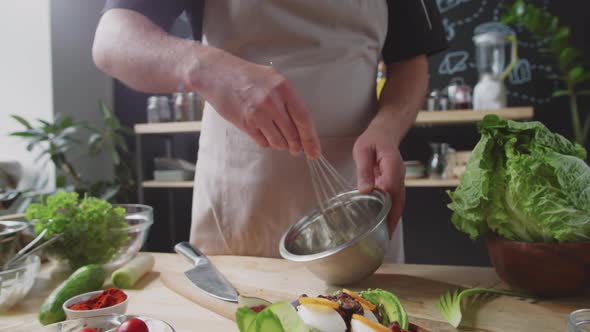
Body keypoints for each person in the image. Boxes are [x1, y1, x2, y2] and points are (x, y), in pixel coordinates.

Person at [93, 0, 447, 261]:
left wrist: (387, 129)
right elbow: (112, 41)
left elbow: (410, 62)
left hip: (355, 191)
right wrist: (203, 66)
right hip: (240, 194)